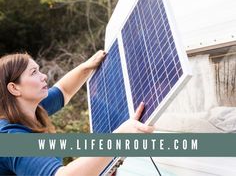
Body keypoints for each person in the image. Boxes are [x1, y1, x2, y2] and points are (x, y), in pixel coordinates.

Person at [0, 51, 155, 176]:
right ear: (14, 88)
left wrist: (87, 67)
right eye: (34, 72)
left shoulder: (31, 108)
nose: (44, 76)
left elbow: (64, 90)